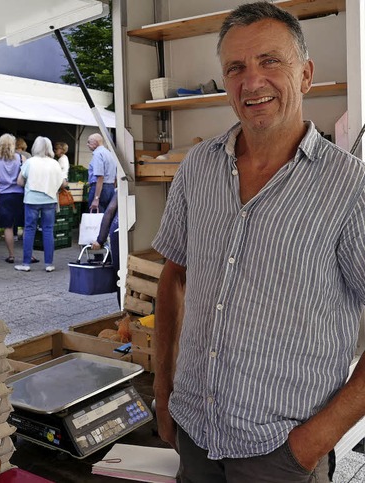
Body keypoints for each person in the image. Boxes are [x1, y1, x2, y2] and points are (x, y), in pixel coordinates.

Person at [152, 3, 365, 482]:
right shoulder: (198, 168)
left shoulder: (350, 187)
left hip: (281, 453)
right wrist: (163, 390)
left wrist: (314, 442)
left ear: (306, 74)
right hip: (195, 435)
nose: (252, 82)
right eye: (236, 67)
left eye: (271, 61)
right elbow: (176, 276)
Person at [15, 136, 64, 273]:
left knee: (29, 229)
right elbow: (62, 182)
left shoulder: (30, 162)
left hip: (32, 199)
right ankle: (49, 263)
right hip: (49, 199)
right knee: (48, 230)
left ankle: (26, 263)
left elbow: (19, 181)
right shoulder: (55, 163)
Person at [0, 133, 32, 264]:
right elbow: (27, 178)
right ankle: (28, 255)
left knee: (8, 227)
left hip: (4, 196)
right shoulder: (22, 158)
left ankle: (11, 255)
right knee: (25, 226)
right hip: (20, 195)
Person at [86, 133, 116, 212]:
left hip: (100, 189)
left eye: (89, 142)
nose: (87, 144)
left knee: (97, 216)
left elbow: (100, 177)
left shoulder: (97, 154)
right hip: (110, 187)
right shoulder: (109, 153)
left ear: (95, 143)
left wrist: (96, 198)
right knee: (107, 216)